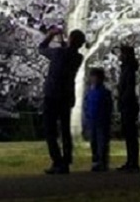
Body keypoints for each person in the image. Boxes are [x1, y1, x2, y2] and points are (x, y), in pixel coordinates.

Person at [40, 26, 86, 174]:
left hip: (52, 95)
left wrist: (50, 35)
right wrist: (63, 42)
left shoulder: (59, 53)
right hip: (66, 96)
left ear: (70, 39)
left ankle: (57, 161)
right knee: (65, 130)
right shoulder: (78, 57)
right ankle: (66, 161)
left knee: (50, 131)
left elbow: (41, 48)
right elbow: (69, 52)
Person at [83, 67, 114, 172]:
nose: (93, 79)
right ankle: (96, 161)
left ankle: (103, 162)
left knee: (102, 142)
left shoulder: (104, 92)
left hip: (102, 120)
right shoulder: (90, 92)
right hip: (92, 120)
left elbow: (109, 106)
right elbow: (86, 106)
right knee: (94, 142)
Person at [116, 44, 140, 172]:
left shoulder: (128, 69)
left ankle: (133, 162)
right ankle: (131, 161)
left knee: (130, 134)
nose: (119, 55)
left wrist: (122, 100)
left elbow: (128, 88)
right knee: (129, 134)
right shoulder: (127, 68)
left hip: (128, 104)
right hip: (128, 103)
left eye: (121, 53)